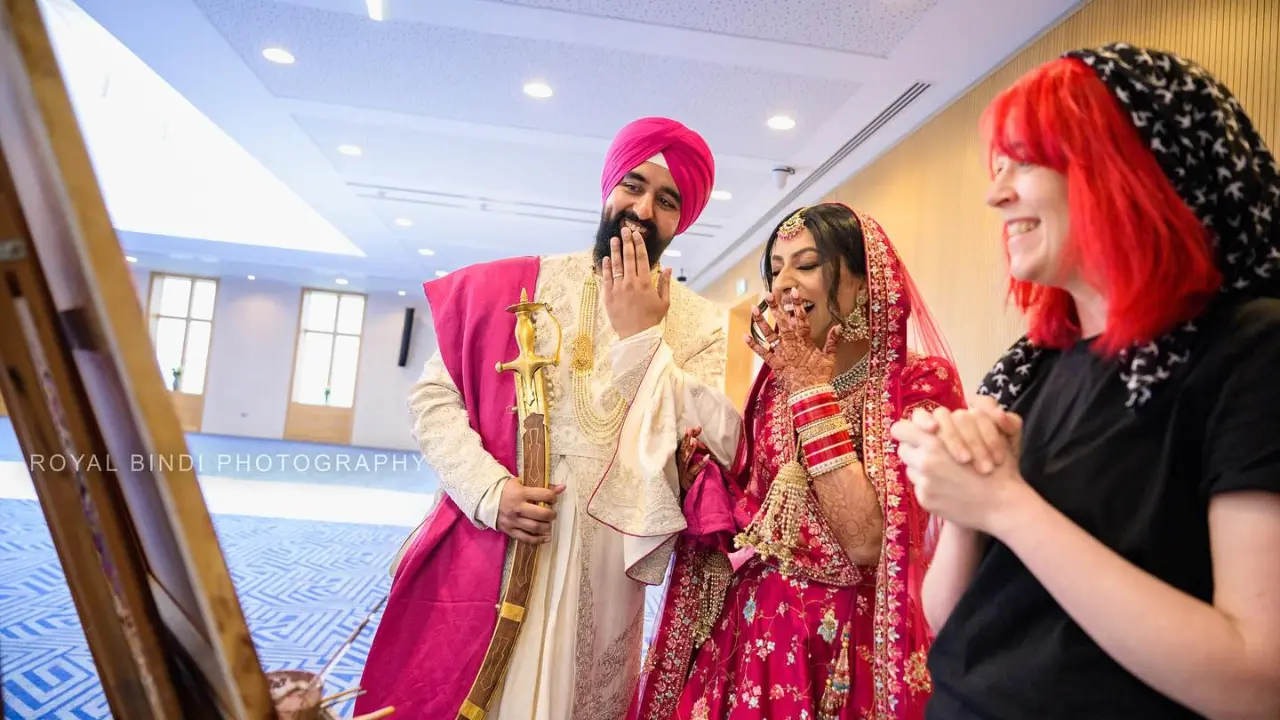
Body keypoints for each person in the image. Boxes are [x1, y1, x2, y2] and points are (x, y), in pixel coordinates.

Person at [890, 44, 1280, 719]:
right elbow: (951, 623)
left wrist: (1007, 505)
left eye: (1027, 161)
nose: (995, 192)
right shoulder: (1030, 365)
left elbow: (1257, 683)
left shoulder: (1251, 350)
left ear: (1129, 170)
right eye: (998, 165)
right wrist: (962, 507)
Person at [355, 116, 727, 720]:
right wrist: (488, 492)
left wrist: (643, 338)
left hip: (609, 561)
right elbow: (433, 399)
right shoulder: (520, 285)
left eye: (666, 199)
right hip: (498, 536)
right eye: (632, 185)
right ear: (608, 186)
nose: (641, 208)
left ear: (681, 219)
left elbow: (706, 445)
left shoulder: (698, 324)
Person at [631, 203, 966, 720]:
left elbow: (867, 539)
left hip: (851, 652)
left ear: (862, 281)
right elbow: (762, 515)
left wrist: (812, 395)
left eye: (805, 265)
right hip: (753, 645)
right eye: (776, 268)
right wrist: (704, 485)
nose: (782, 283)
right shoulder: (772, 388)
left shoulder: (918, 386)